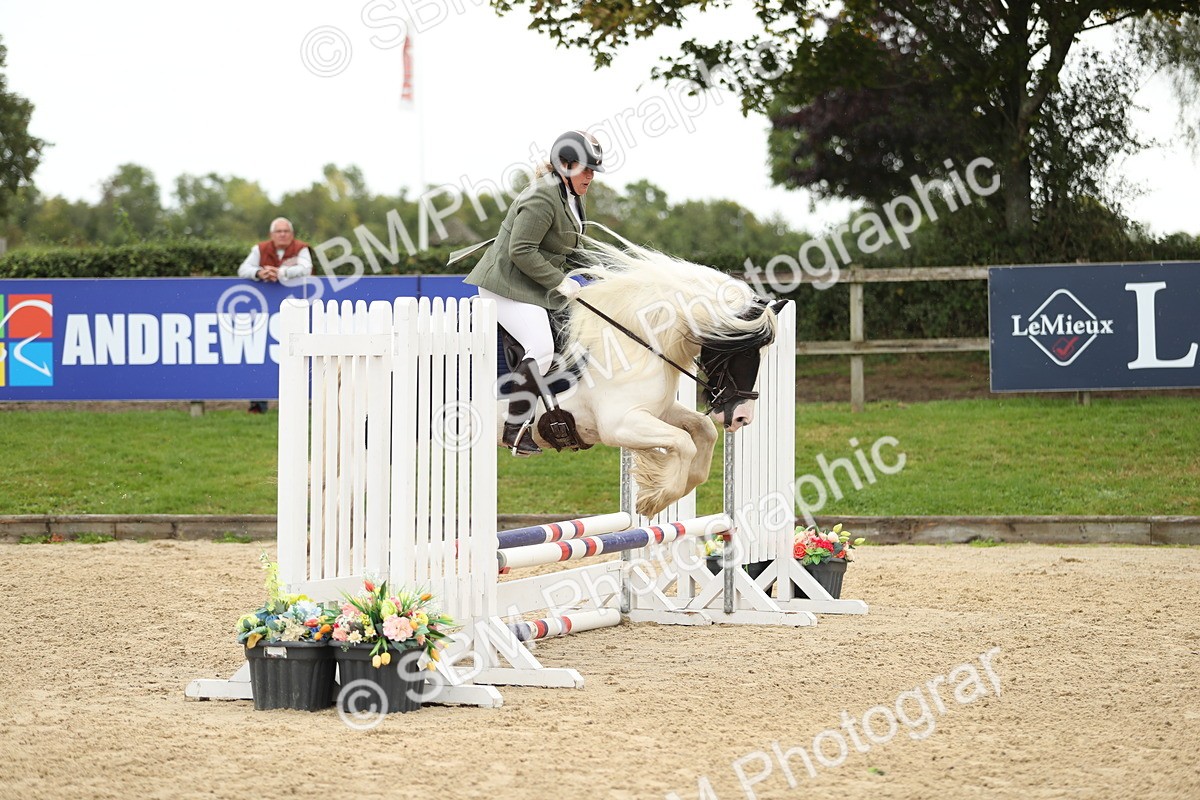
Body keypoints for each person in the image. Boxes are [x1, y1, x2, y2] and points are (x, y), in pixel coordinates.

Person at [464, 130, 605, 456]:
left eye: (593, 170)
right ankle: (515, 429)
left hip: (531, 284)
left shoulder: (572, 195)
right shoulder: (542, 197)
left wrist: (600, 270)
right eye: (585, 169)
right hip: (505, 285)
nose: (590, 176)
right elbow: (521, 250)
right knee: (540, 347)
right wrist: (560, 282)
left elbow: (569, 248)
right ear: (565, 165)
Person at [238, 217, 313, 412]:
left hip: (296, 307)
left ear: (292, 234)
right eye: (279, 231)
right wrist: (259, 273)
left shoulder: (301, 248)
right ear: (271, 234)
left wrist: (281, 273)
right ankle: (258, 403)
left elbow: (306, 268)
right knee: (262, 354)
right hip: (265, 310)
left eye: (286, 231)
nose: (282, 234)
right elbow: (243, 269)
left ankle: (301, 401)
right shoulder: (260, 249)